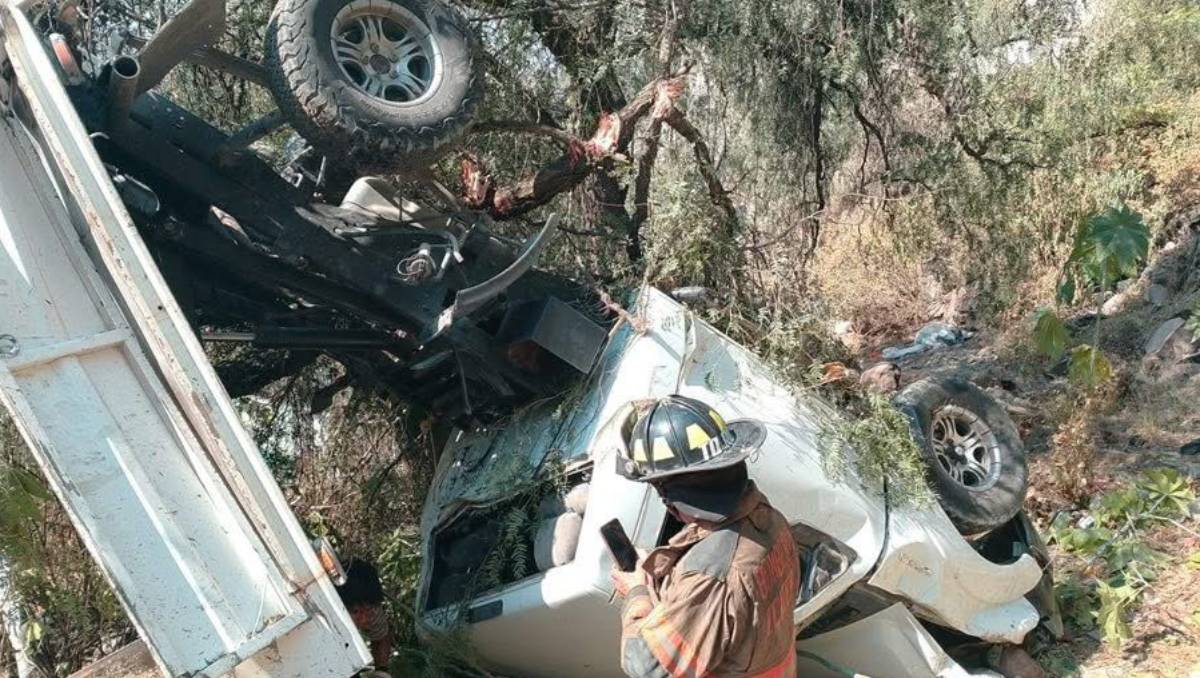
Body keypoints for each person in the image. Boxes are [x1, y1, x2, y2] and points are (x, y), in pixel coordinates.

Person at [611, 395, 799, 678]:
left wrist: (637, 593)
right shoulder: (770, 519)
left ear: (669, 497)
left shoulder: (710, 575)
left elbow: (647, 666)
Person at [335, 558, 394, 675]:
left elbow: (380, 637)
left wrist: (382, 671)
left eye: (368, 611)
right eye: (356, 612)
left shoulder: (371, 605)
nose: (364, 619)